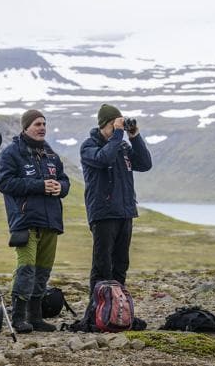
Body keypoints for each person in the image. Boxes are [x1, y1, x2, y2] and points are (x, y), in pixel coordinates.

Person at [0, 109, 70, 333]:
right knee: (26, 269)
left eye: (44, 124)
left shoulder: (50, 154)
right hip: (25, 221)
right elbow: (5, 183)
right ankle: (19, 317)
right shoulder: (11, 154)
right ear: (26, 127)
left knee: (43, 271)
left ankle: (35, 317)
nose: (42, 128)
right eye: (37, 124)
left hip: (51, 222)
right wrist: (39, 185)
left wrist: (61, 188)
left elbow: (64, 180)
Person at [79, 103, 152, 325]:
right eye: (114, 125)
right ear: (105, 125)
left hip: (125, 211)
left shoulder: (121, 146)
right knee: (102, 266)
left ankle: (117, 312)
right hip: (103, 213)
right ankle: (97, 313)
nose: (117, 129)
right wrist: (119, 134)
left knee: (121, 264)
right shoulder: (89, 146)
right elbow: (104, 159)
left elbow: (145, 164)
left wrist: (135, 136)